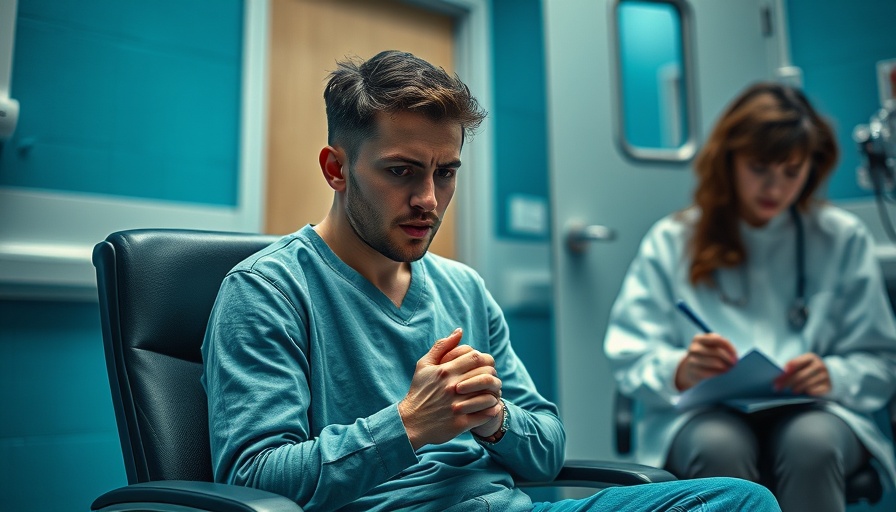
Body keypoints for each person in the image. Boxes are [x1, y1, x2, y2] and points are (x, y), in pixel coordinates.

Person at [201, 50, 779, 511]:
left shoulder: (463, 289)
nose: (428, 200)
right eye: (401, 171)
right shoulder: (267, 291)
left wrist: (494, 420)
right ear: (336, 169)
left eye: (445, 173)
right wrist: (409, 424)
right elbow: (255, 479)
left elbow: (547, 449)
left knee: (740, 500)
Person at [604, 82, 896, 512]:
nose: (774, 188)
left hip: (819, 413)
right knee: (718, 448)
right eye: (759, 168)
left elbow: (881, 360)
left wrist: (834, 375)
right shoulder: (672, 240)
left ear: (811, 168)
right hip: (703, 416)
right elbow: (629, 355)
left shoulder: (841, 237)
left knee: (811, 445)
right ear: (729, 160)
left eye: (791, 172)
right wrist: (681, 369)